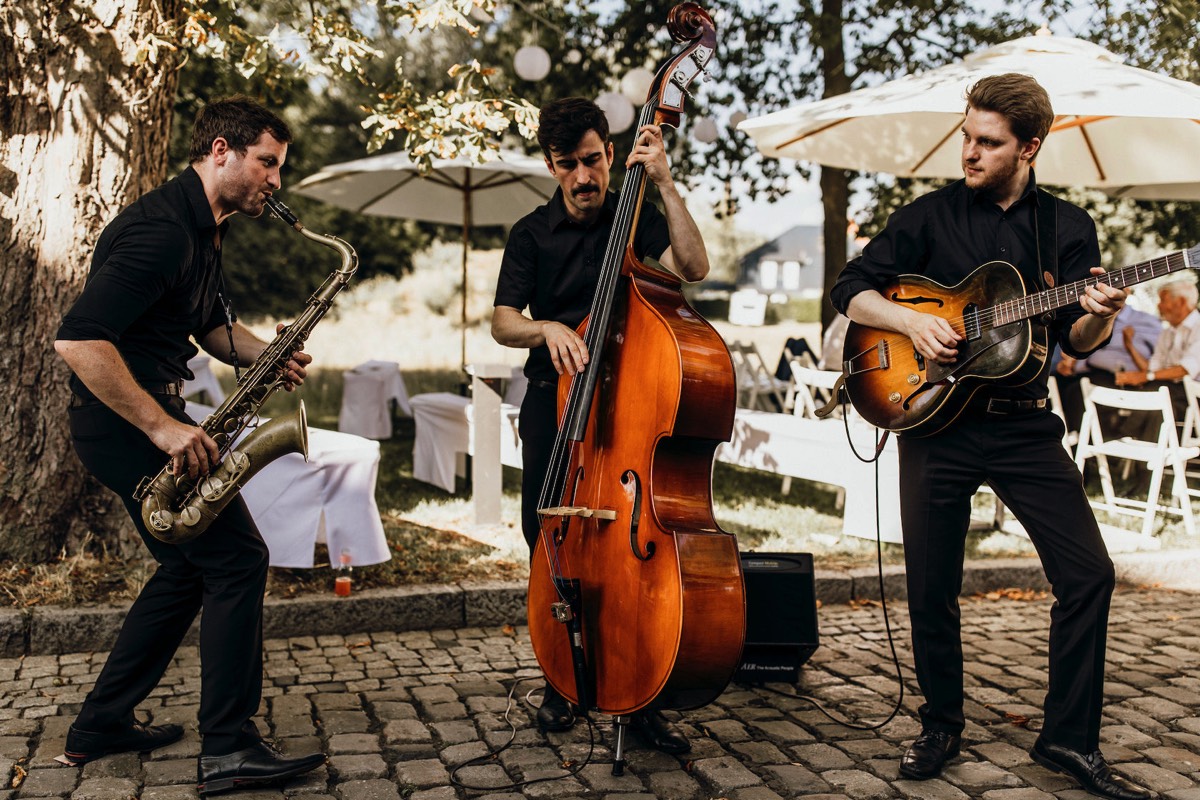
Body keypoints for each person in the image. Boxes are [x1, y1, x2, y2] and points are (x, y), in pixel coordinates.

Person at [830, 74, 1152, 800]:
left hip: (1023, 425)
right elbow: (849, 287)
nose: (968, 151)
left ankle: (1068, 739)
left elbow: (1076, 339)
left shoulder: (1067, 229)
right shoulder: (929, 216)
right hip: (933, 421)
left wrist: (1102, 312)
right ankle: (941, 722)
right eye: (966, 135)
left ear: (1029, 148)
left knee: (1088, 574)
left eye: (987, 142)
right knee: (930, 587)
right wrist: (912, 321)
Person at [54, 96, 326, 794]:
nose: (275, 180)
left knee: (185, 573)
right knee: (239, 559)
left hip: (134, 420)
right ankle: (229, 748)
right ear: (220, 152)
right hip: (127, 425)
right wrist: (164, 427)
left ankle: (100, 724)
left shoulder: (203, 228)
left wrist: (264, 354)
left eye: (278, 167)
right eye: (267, 163)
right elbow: (79, 340)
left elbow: (206, 325)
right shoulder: (163, 233)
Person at [491, 97, 710, 755]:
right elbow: (504, 320)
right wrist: (546, 327)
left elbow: (694, 268)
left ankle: (638, 694)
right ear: (551, 166)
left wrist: (665, 182)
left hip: (635, 406)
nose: (584, 177)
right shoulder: (531, 232)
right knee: (550, 533)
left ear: (611, 154)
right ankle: (563, 680)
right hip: (555, 405)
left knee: (629, 553)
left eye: (593, 160)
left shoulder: (637, 216)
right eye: (568, 166)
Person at [1052, 303, 1162, 432]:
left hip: (1117, 376)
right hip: (1087, 372)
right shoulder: (1089, 316)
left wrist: (1129, 344)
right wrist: (1072, 364)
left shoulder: (1145, 321)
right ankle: (1063, 436)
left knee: (1076, 392)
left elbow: (1155, 360)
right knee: (1054, 383)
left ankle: (1085, 438)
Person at [1115, 279, 1200, 418]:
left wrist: (1145, 376)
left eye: (1162, 300)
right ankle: (1132, 437)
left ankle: (1134, 437)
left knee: (1155, 396)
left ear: (1181, 302)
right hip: (1171, 390)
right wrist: (1130, 346)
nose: (1158, 305)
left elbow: (1185, 370)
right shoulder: (1167, 332)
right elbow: (1152, 369)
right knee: (1145, 393)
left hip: (1194, 394)